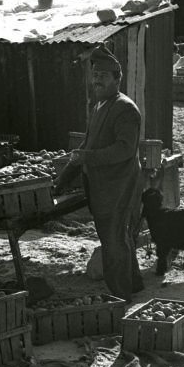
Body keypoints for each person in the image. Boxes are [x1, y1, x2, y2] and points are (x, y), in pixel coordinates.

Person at [55, 44, 144, 299]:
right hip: (103, 185)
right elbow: (87, 144)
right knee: (119, 236)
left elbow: (124, 149)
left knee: (113, 240)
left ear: (117, 79)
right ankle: (133, 284)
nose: (97, 81)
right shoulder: (100, 105)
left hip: (118, 185)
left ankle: (120, 295)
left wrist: (88, 158)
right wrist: (62, 180)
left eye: (103, 76)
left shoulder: (125, 108)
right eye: (95, 76)